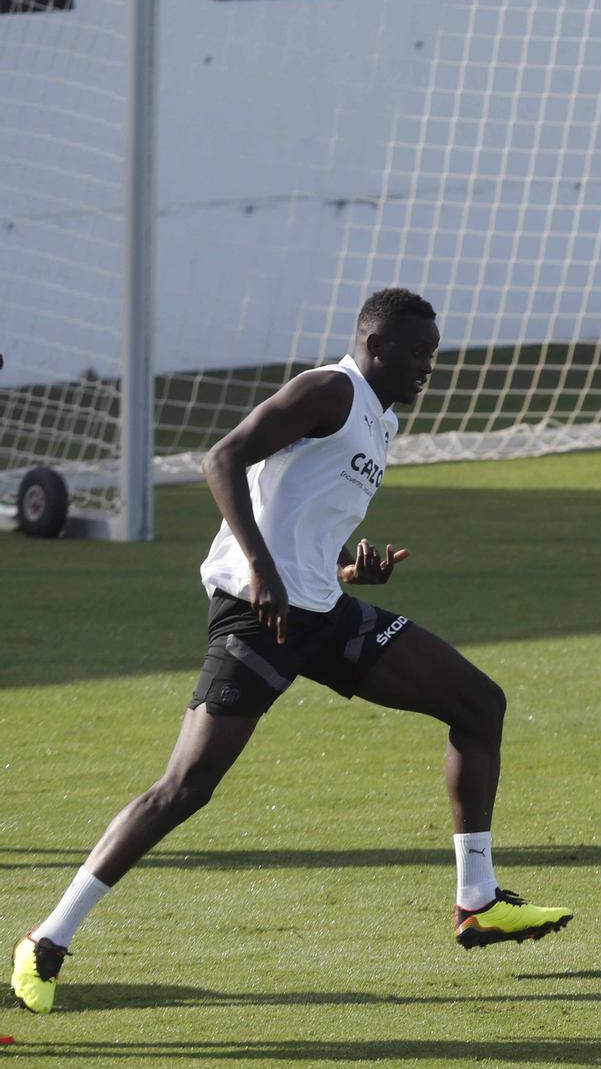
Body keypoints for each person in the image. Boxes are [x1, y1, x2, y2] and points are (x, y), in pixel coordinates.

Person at [10, 289, 571, 1016]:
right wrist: (265, 573)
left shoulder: (380, 417)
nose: (430, 364)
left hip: (321, 611)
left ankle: (477, 901)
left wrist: (346, 565)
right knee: (184, 787)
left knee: (477, 702)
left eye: (434, 351)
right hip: (257, 615)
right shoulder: (330, 389)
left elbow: (299, 514)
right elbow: (224, 458)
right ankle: (45, 940)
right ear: (374, 344)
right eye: (417, 351)